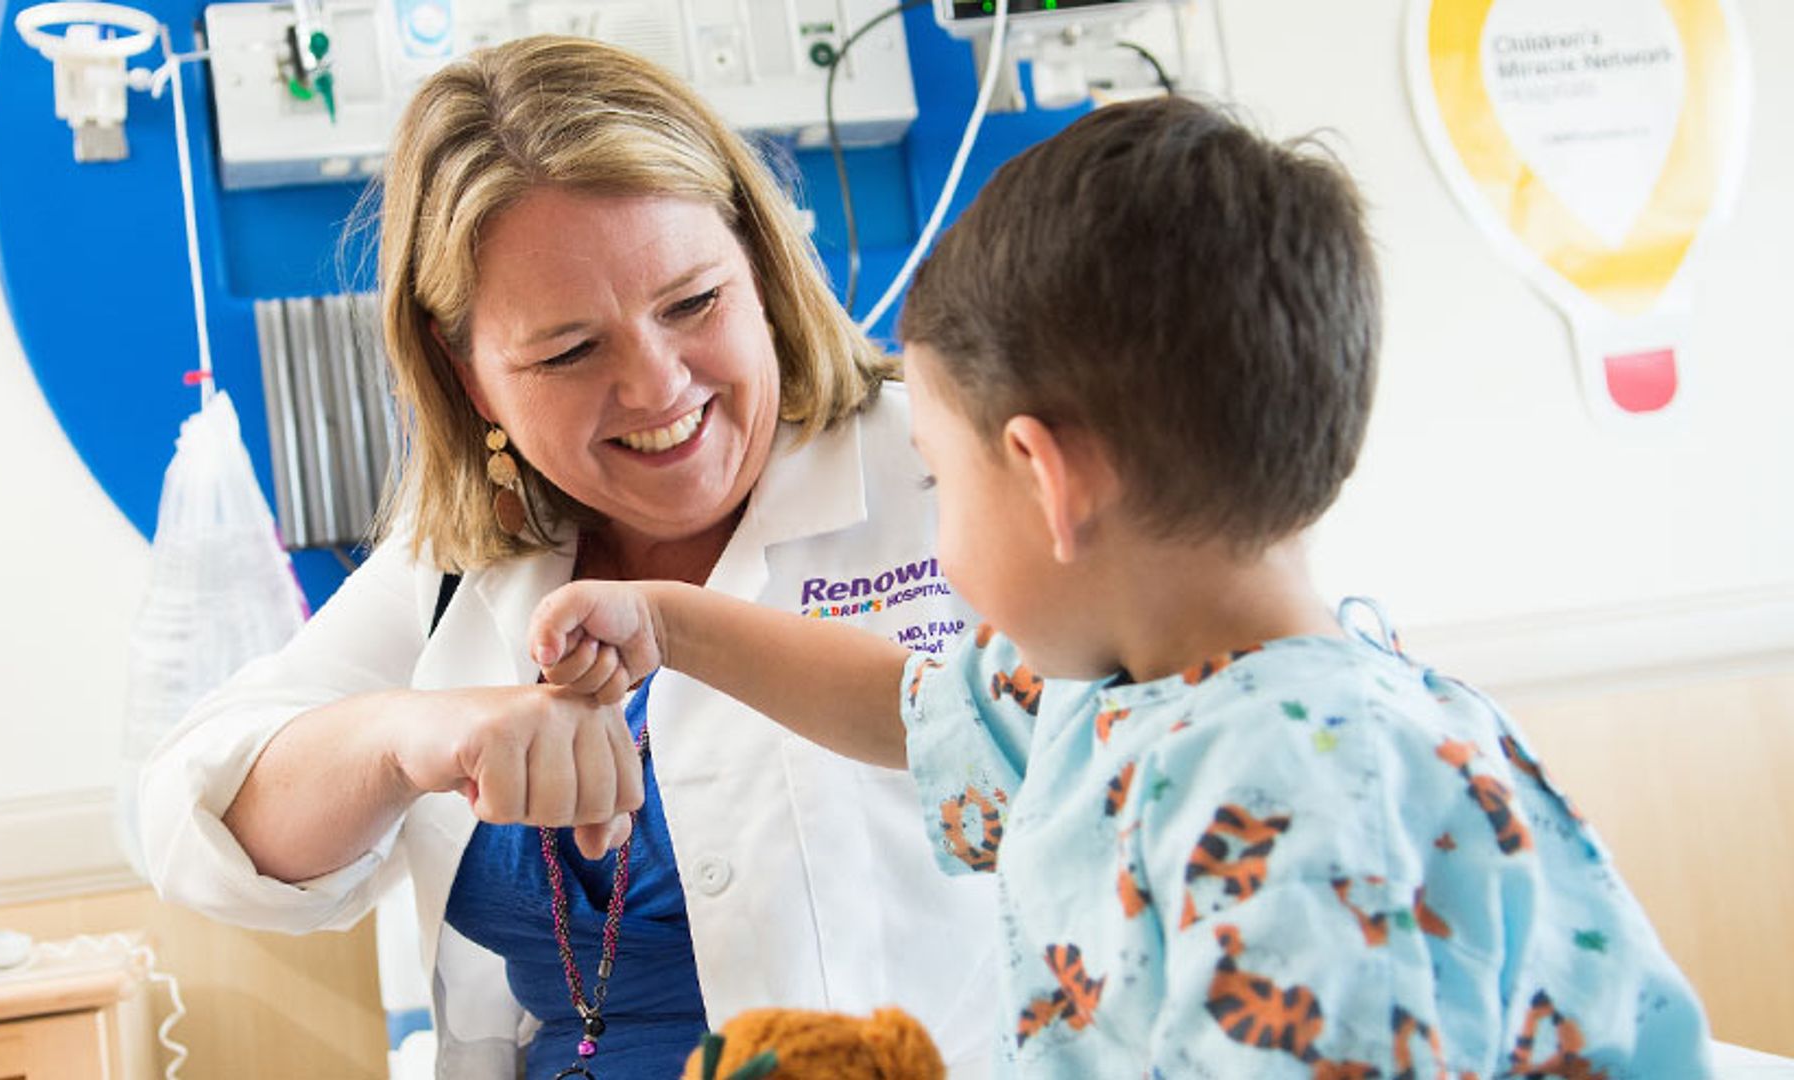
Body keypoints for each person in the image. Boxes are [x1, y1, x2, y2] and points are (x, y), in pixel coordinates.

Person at [529, 96, 1715, 1076]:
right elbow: (909, 713)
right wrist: (667, 625)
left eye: (937, 479)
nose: (936, 537)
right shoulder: (1121, 686)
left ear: (1045, 480)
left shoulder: (1308, 801)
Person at [139, 35, 1000, 1079]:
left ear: (763, 269)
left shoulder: (952, 475)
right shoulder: (458, 576)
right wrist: (411, 737)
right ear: (470, 380)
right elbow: (191, 827)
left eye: (694, 303)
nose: (657, 386)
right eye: (569, 351)